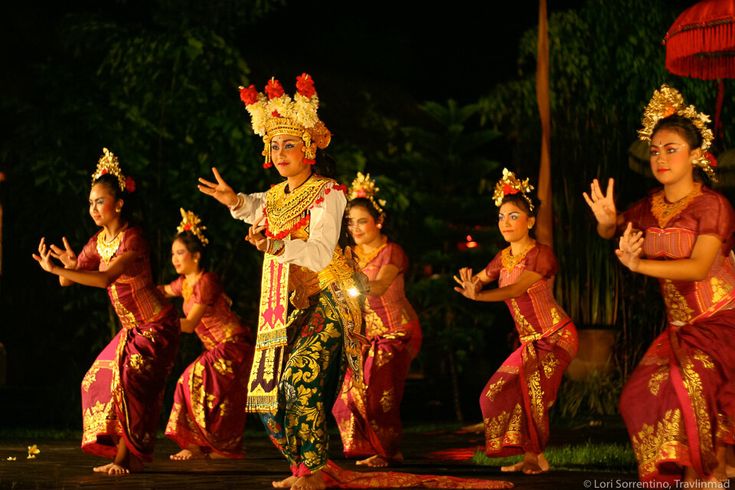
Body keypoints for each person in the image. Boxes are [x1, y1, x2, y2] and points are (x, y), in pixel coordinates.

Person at [198, 74, 365, 490]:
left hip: (330, 298)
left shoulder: (329, 193)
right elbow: (255, 206)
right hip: (294, 303)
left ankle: (315, 470)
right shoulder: (276, 195)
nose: (280, 152)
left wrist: (273, 247)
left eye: (289, 143)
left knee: (299, 377)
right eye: (274, 145)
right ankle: (303, 468)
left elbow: (321, 253)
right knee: (268, 389)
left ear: (309, 148)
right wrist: (234, 201)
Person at [584, 84, 735, 484]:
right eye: (655, 150)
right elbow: (612, 229)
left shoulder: (713, 206)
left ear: (696, 155)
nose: (661, 158)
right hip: (681, 328)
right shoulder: (648, 207)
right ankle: (698, 472)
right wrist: (604, 221)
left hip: (722, 321)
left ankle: (706, 474)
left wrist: (639, 265)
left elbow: (700, 267)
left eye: (671, 149)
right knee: (637, 396)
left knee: (692, 383)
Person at [32, 148, 179, 475]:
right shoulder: (98, 242)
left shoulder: (133, 239)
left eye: (100, 201)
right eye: (90, 202)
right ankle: (121, 451)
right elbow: (66, 283)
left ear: (119, 204)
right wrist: (65, 268)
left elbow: (105, 279)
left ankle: (124, 460)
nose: (93, 208)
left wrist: (62, 271)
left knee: (128, 382)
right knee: (94, 380)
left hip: (156, 326)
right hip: (131, 330)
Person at [454, 168, 578, 475]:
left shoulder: (541, 255)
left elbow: (516, 289)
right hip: (529, 343)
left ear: (530, 221)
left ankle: (536, 457)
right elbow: (483, 277)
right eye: (500, 217)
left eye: (513, 216)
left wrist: (479, 296)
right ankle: (527, 454)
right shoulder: (503, 257)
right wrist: (475, 284)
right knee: (493, 394)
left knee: (534, 396)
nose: (505, 223)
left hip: (556, 337)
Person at [332, 172, 423, 468]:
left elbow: (381, 286)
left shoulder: (392, 252)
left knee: (376, 393)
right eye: (350, 222)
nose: (355, 228)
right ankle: (377, 449)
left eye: (362, 221)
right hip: (366, 336)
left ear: (378, 222)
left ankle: (386, 451)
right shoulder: (347, 255)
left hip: (396, 332)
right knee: (345, 399)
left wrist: (349, 284)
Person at [161, 208, 255, 460]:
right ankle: (201, 445)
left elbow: (190, 324)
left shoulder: (206, 281)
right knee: (199, 389)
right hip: (216, 349)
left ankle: (216, 447)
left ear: (196, 255)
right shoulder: (185, 283)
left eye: (180, 253)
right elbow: (160, 292)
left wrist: (158, 323)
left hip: (233, 345)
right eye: (173, 254)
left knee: (189, 379)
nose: (175, 259)